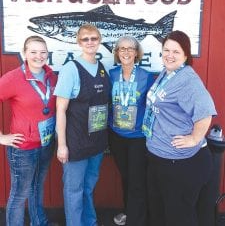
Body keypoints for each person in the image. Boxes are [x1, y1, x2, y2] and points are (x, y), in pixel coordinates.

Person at [142, 30, 217, 226]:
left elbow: (205, 112)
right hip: (160, 157)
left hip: (180, 162)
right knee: (161, 213)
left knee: (179, 217)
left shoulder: (187, 80)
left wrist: (194, 138)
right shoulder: (167, 74)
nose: (170, 55)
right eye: (166, 50)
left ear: (186, 55)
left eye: (176, 51)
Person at [54, 23, 110, 226]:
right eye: (85, 39)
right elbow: (60, 109)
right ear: (78, 42)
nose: (90, 42)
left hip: (96, 143)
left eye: (94, 38)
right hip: (75, 143)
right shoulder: (71, 69)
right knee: (74, 190)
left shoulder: (102, 68)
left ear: (99, 41)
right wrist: (62, 144)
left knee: (88, 187)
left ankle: (90, 222)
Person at [0, 35, 57, 226]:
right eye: (33, 52)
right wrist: (1, 137)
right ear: (24, 53)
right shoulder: (13, 78)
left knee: (37, 187)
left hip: (45, 144)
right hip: (22, 149)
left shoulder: (52, 76)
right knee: (19, 194)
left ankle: (38, 223)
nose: (38, 56)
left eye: (43, 52)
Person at [108, 36, 154, 226]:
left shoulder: (147, 76)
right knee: (127, 176)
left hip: (137, 137)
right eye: (122, 49)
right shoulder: (110, 74)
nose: (126, 52)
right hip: (116, 135)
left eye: (130, 49)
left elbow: (152, 108)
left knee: (137, 180)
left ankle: (137, 220)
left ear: (137, 53)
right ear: (117, 53)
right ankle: (129, 212)